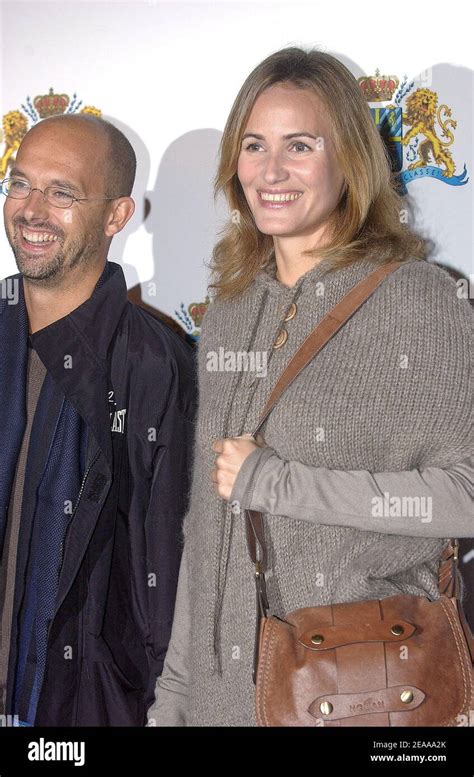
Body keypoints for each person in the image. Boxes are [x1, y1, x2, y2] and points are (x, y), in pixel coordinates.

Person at [148, 47, 473, 727]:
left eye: (299, 145)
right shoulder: (233, 303)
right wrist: (175, 696)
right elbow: (209, 521)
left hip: (360, 692)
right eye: (254, 145)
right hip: (220, 702)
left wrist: (282, 483)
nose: (271, 171)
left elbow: (466, 496)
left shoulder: (419, 299)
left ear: (347, 157)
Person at [0, 114, 197, 726]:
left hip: (81, 707)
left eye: (62, 193)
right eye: (19, 184)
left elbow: (173, 560)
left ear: (117, 216)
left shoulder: (156, 364)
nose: (31, 211)